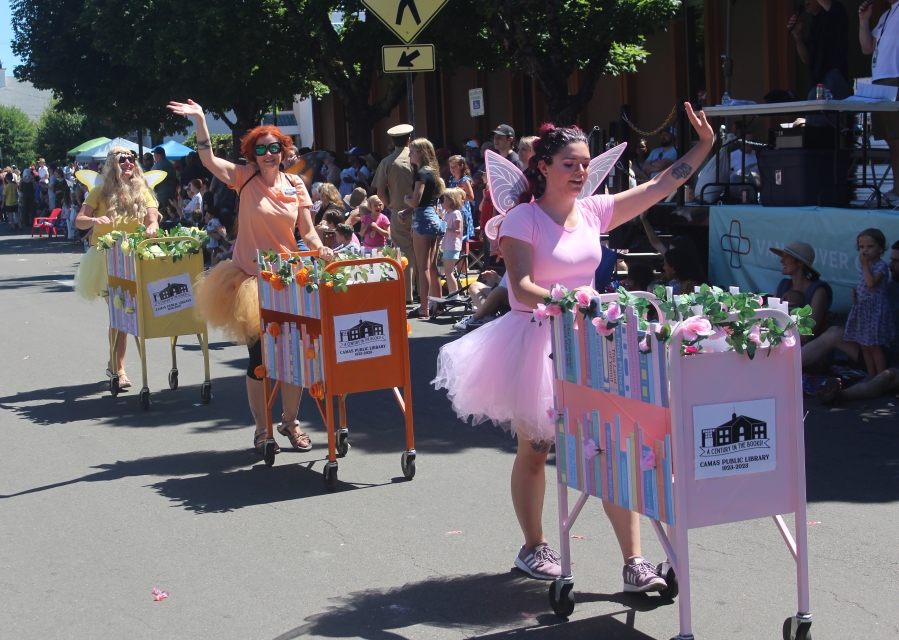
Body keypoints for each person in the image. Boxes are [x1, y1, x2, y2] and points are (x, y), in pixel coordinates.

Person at [434, 105, 714, 587]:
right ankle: (533, 547)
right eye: (570, 163)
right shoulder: (522, 219)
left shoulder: (593, 211)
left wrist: (705, 146)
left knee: (615, 447)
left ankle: (635, 562)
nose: (581, 172)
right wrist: (578, 302)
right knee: (537, 448)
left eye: (586, 163)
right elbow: (521, 288)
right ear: (543, 166)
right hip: (539, 343)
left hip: (593, 340)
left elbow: (658, 187)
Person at [167, 98, 333, 455]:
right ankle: (263, 429)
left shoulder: (296, 185)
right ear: (253, 154)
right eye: (261, 149)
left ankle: (291, 422)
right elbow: (209, 161)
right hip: (249, 281)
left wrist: (321, 248)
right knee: (259, 359)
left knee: (294, 356)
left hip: (288, 279)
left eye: (275, 147)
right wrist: (200, 120)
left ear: (284, 151)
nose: (269, 153)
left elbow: (307, 230)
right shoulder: (244, 178)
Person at [73, 147, 160, 389]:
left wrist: (152, 226)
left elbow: (152, 216)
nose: (128, 163)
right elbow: (79, 220)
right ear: (112, 164)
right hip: (105, 259)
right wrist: (93, 220)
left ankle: (115, 364)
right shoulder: (100, 192)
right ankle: (119, 368)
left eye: (131, 159)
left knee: (131, 312)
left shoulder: (142, 190)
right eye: (123, 160)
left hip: (135, 257)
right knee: (121, 312)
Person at [373, 124, 416, 302]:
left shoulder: (387, 162)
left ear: (392, 141)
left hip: (399, 210)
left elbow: (380, 193)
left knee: (404, 252)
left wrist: (390, 206)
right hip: (420, 209)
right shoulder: (418, 159)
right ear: (409, 140)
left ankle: (407, 294)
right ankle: (425, 292)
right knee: (423, 252)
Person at [403, 137, 445, 319]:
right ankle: (439, 304)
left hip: (423, 220)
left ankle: (424, 308)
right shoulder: (432, 172)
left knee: (422, 267)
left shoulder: (421, 174)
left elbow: (416, 201)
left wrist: (405, 200)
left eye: (412, 151)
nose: (410, 154)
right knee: (433, 266)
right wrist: (407, 211)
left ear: (421, 153)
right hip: (434, 218)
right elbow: (426, 202)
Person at [861, 0, 899, 203]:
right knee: (891, 140)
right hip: (880, 82)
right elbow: (867, 48)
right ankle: (896, 189)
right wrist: (864, 20)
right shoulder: (885, 16)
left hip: (895, 78)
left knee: (897, 138)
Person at [843, 228, 895, 375]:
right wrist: (856, 293)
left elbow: (872, 283)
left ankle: (881, 378)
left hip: (875, 310)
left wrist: (865, 266)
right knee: (864, 345)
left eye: (870, 247)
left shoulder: (880, 266)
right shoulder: (865, 266)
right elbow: (866, 284)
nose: (865, 250)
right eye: (862, 247)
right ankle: (871, 376)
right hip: (863, 309)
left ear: (881, 249)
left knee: (874, 346)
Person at [789, 0, 851, 102]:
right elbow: (807, 59)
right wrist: (797, 35)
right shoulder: (814, 23)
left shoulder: (836, 10)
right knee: (813, 117)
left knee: (827, 117)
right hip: (815, 82)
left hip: (832, 78)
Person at [771, 241, 832, 341]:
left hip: (806, 351)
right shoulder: (782, 287)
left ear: (800, 263)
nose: (782, 261)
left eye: (787, 257)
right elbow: (769, 321)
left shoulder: (818, 292)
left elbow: (806, 335)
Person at [440, 187, 465, 299]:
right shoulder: (447, 213)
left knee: (449, 272)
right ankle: (453, 294)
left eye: (443, 199)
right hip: (448, 245)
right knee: (448, 271)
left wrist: (445, 227)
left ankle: (455, 295)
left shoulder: (456, 213)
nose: (441, 202)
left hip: (453, 245)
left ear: (451, 200)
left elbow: (457, 231)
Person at [446, 155, 475, 242]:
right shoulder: (451, 179)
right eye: (451, 167)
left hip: (462, 208)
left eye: (455, 167)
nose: (452, 169)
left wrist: (458, 197)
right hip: (452, 208)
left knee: (462, 233)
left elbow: (471, 197)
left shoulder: (464, 180)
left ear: (461, 166)